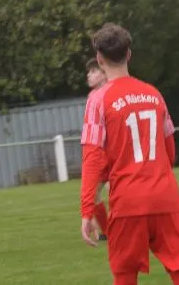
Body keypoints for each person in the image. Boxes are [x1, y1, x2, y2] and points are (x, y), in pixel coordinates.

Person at [80, 23, 179, 285]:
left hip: (128, 202)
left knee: (125, 277)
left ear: (100, 59)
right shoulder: (154, 94)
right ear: (129, 55)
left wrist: (87, 210)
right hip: (166, 199)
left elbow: (92, 158)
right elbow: (170, 151)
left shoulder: (98, 100)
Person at [81, 58, 109, 241]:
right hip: (98, 152)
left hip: (112, 152)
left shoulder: (111, 93)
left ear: (104, 73)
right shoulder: (92, 96)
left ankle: (126, 229)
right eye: (88, 72)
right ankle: (108, 231)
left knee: (116, 192)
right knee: (95, 194)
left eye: (93, 71)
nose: (88, 75)